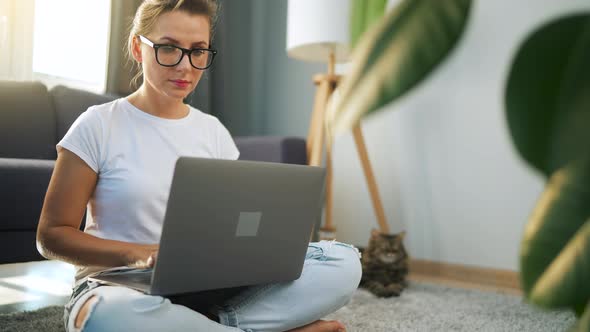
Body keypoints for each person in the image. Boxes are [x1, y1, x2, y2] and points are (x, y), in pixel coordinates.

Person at [36, 1, 362, 331]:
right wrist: (138, 254)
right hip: (118, 288)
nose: (185, 66)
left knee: (344, 262)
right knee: (104, 317)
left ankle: (210, 324)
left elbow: (232, 225)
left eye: (198, 51)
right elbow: (51, 237)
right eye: (168, 49)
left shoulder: (214, 132)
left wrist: (251, 254)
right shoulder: (97, 125)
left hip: (207, 291)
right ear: (138, 48)